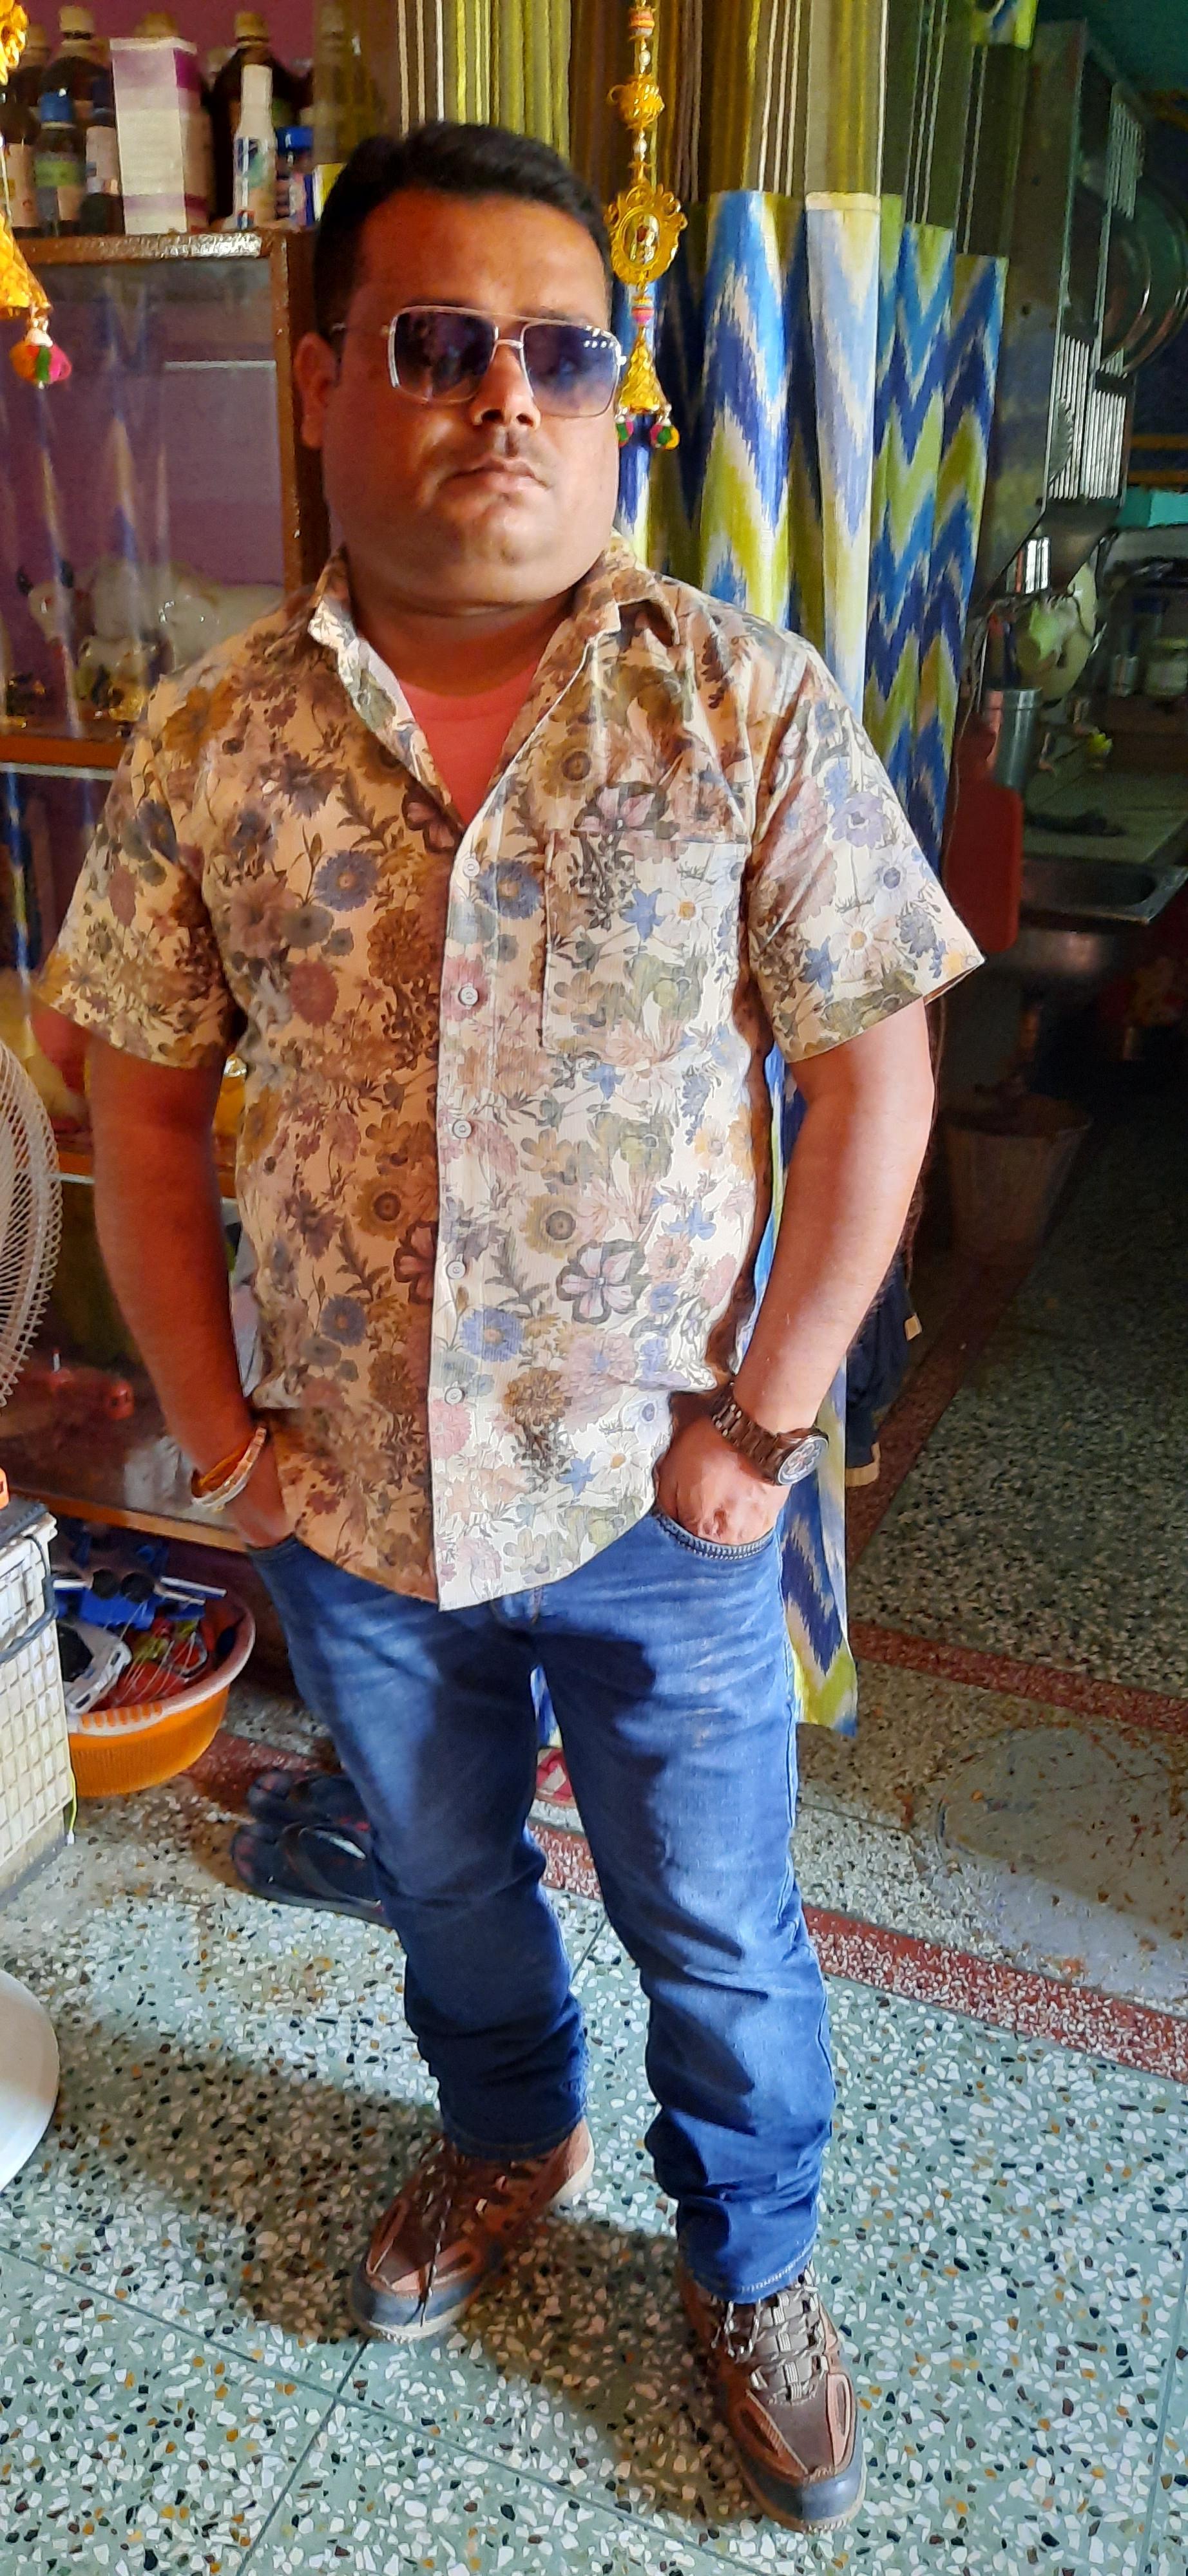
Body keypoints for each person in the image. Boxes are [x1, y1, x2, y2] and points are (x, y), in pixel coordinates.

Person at [38, 122, 980, 2534]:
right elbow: (140, 1111)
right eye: (441, 344)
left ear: (615, 397)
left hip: (663, 1500)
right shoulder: (210, 744)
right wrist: (217, 1442)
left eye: (562, 356)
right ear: (322, 381)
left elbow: (876, 1077)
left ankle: (749, 2253)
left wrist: (768, 1424)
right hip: (352, 1506)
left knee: (718, 1931)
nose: (507, 402)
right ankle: (505, 2132)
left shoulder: (739, 705)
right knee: (446, 1886)